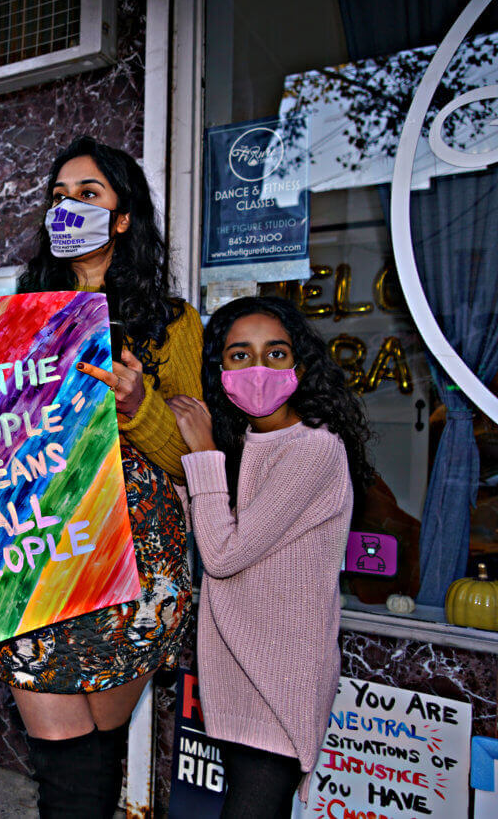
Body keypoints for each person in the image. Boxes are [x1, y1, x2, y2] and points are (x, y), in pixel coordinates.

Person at [0, 137, 201, 817]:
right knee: (61, 758)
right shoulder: (13, 324)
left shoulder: (172, 326)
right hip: (38, 553)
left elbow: (193, 457)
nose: (69, 207)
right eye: (59, 196)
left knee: (97, 752)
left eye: (89, 194)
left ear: (122, 219)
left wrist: (141, 410)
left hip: (138, 562)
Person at [167, 296, 373, 817]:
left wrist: (202, 454)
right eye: (240, 355)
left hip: (280, 681)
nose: (258, 368)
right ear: (220, 370)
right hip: (237, 674)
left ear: (299, 367)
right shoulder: (247, 446)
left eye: (275, 353)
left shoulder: (314, 449)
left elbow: (220, 555)